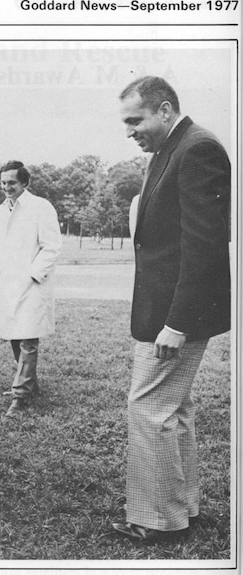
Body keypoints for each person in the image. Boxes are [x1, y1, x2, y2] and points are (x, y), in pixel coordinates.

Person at [111, 76, 230, 543]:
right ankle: (181, 509)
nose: (130, 131)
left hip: (174, 316)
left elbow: (203, 246)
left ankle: (156, 520)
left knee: (149, 407)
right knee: (173, 408)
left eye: (135, 120)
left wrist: (177, 323)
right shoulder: (171, 149)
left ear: (164, 110)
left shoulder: (197, 149)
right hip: (165, 310)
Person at [0, 160, 62, 418]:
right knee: (14, 334)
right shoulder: (0, 211)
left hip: (31, 283)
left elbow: (52, 245)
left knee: (29, 337)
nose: (6, 187)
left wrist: (33, 274)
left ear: (24, 183)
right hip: (7, 282)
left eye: (12, 183)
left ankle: (20, 395)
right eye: (3, 183)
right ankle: (29, 385)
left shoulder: (40, 207)